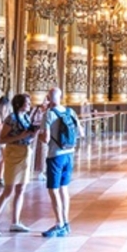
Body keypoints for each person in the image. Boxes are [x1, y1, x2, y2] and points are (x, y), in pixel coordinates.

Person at [0, 94, 35, 235]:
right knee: (8, 190)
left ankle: (15, 222)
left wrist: (32, 134)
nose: (30, 104)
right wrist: (21, 136)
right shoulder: (11, 119)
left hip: (25, 153)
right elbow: (2, 139)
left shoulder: (26, 117)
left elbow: (26, 135)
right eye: (27, 102)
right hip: (13, 154)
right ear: (19, 104)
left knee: (21, 189)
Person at [40, 86, 83, 238]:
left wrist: (40, 134)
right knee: (64, 189)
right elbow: (81, 132)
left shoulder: (49, 114)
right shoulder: (70, 111)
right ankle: (66, 222)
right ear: (61, 97)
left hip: (55, 155)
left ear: (48, 98)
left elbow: (45, 139)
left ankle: (59, 224)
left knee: (53, 190)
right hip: (69, 154)